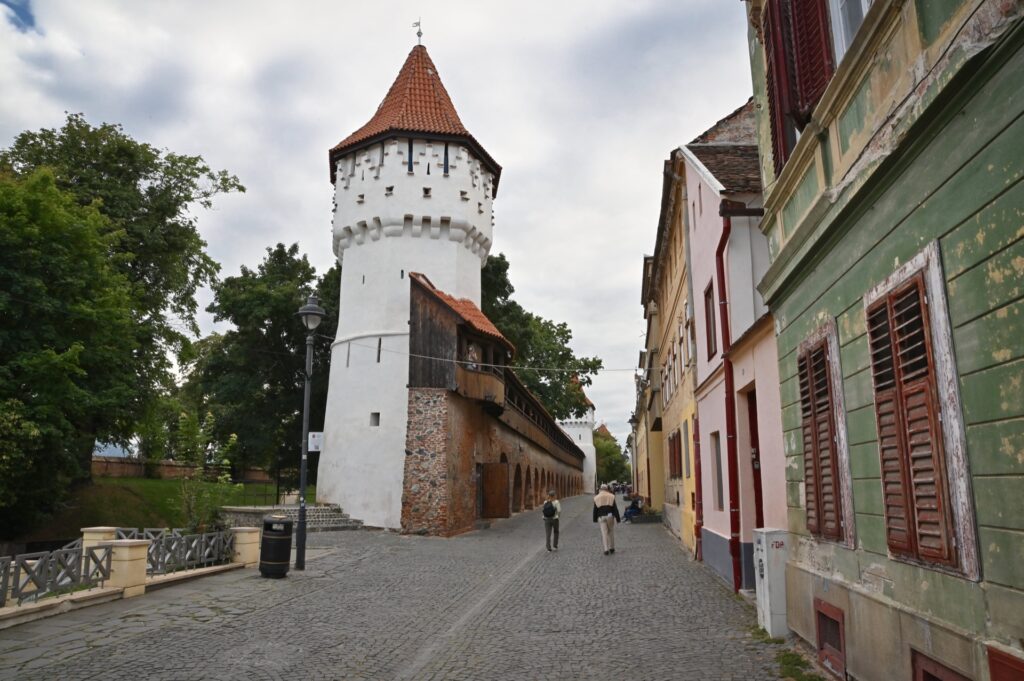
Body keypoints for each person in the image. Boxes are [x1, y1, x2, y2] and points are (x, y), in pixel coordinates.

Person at [592, 483, 620, 555]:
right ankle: (612, 548)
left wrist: (594, 519)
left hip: (601, 517)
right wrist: (618, 518)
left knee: (604, 533)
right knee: (611, 531)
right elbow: (615, 508)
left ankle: (606, 549)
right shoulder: (611, 496)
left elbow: (595, 509)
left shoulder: (596, 497)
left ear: (601, 489)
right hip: (610, 516)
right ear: (607, 489)